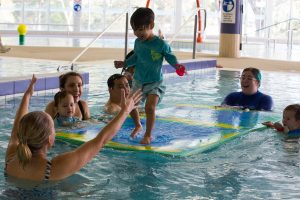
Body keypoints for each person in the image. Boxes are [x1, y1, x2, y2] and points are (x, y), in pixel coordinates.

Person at [5, 75, 142, 181]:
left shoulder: (10, 159)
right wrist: (125, 111)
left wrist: (27, 95)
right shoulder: (55, 168)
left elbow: (16, 129)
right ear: (50, 140)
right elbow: (101, 140)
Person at [114, 7, 186, 144]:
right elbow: (136, 56)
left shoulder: (161, 44)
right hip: (139, 81)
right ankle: (137, 125)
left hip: (155, 83)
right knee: (129, 105)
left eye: (141, 29)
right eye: (135, 30)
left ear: (151, 26)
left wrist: (177, 66)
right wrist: (124, 63)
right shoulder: (138, 42)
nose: (137, 33)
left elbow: (170, 57)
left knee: (150, 107)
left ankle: (147, 134)